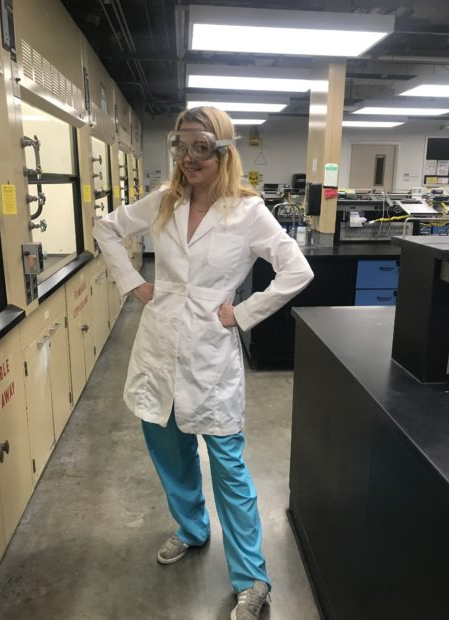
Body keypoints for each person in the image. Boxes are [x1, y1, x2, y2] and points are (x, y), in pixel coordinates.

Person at [93, 106, 314, 620]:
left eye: (200, 147)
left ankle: (252, 578)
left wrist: (241, 313)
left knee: (230, 470)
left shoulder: (247, 211)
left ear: (223, 151)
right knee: (170, 454)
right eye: (180, 145)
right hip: (158, 346)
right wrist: (134, 284)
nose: (188, 158)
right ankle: (192, 529)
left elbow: (295, 270)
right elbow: (106, 228)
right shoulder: (164, 203)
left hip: (211, 356)